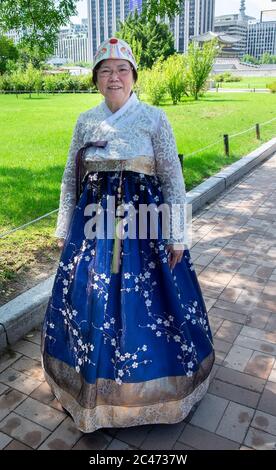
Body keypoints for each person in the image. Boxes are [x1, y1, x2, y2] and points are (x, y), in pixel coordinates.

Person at [42, 37, 215, 433]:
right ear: (96, 79)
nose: (114, 77)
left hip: (145, 229)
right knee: (92, 299)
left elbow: (173, 180)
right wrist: (62, 226)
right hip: (93, 229)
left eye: (122, 70)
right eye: (105, 70)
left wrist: (177, 236)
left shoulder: (155, 119)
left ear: (134, 77)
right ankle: (93, 394)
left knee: (150, 307)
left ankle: (151, 393)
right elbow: (72, 178)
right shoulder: (86, 120)